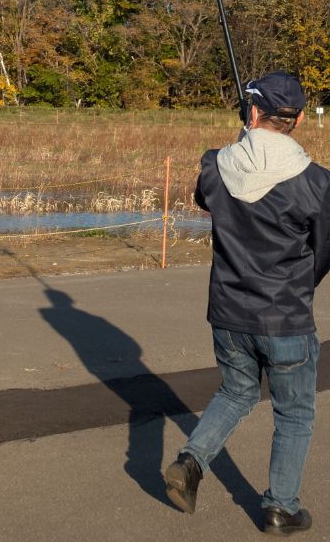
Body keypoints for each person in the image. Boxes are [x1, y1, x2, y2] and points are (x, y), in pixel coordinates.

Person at [164, 71, 330, 536]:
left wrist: (241, 140)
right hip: (286, 318)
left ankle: (192, 461)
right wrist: (299, 286)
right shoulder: (317, 183)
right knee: (294, 413)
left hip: (229, 312)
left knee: (236, 391)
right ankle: (280, 507)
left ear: (252, 113)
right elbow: (324, 249)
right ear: (296, 118)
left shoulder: (217, 166)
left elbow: (206, 195)